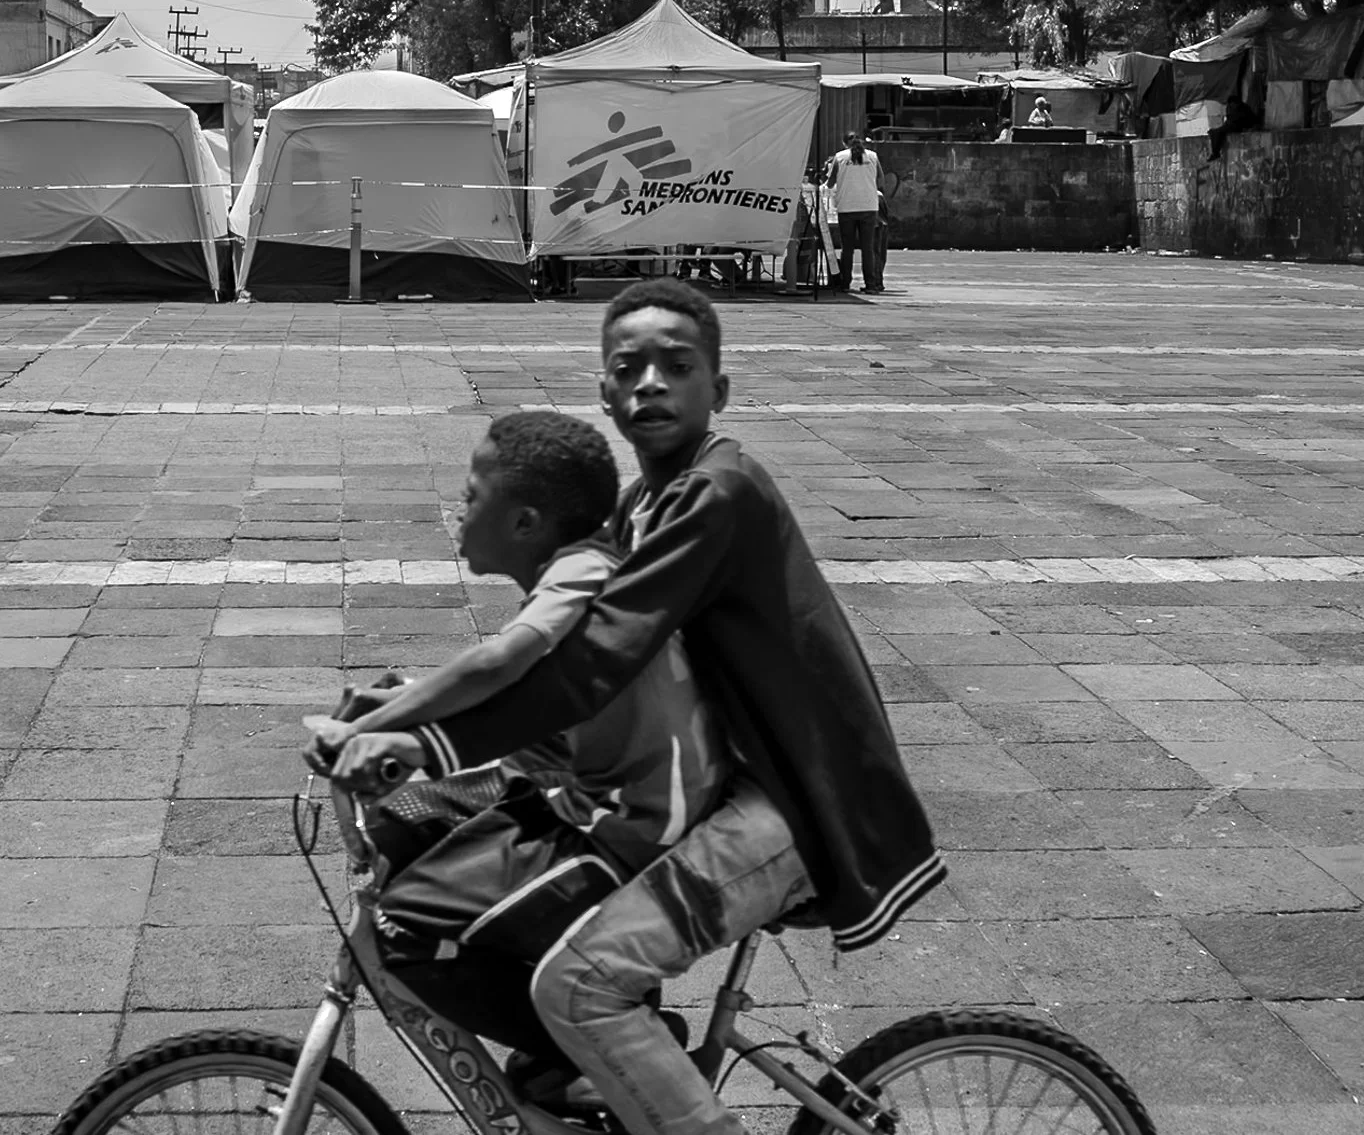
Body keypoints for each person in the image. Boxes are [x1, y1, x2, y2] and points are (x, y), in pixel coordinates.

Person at [330, 278, 942, 1135]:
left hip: (795, 803)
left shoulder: (717, 492)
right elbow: (555, 650)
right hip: (736, 782)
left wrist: (429, 742)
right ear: (605, 394)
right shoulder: (645, 501)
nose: (652, 381)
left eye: (677, 365)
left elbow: (596, 663)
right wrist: (409, 708)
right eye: (630, 367)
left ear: (717, 391)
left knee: (575, 981)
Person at [307, 410, 726, 1059]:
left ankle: (619, 1051)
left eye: (472, 496)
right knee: (404, 822)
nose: (458, 507)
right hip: (569, 786)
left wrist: (368, 726)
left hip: (625, 824)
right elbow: (514, 692)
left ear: (526, 523)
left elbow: (500, 663)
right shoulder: (580, 567)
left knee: (400, 932)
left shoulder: (584, 570)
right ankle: (567, 1031)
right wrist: (400, 706)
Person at [822, 131, 884, 294]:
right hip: (869, 207)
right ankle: (870, 285)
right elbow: (881, 180)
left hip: (847, 207)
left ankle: (845, 283)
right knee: (867, 248)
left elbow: (830, 183)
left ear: (844, 144)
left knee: (847, 248)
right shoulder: (873, 156)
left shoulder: (840, 157)